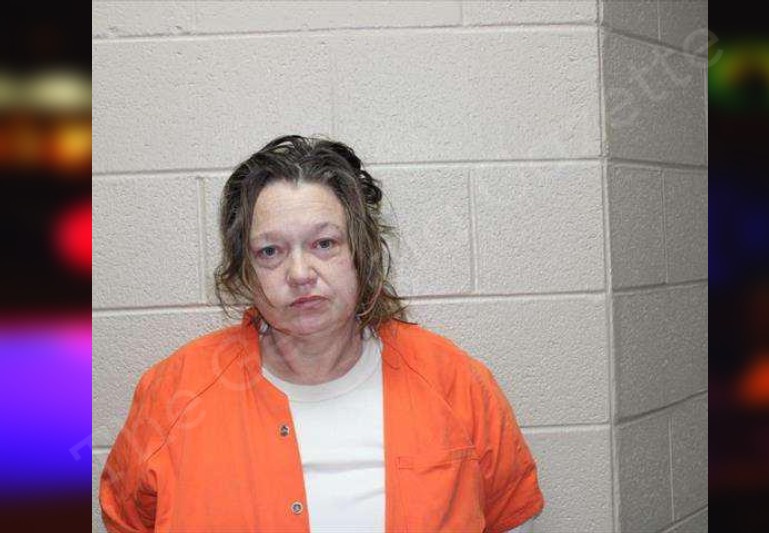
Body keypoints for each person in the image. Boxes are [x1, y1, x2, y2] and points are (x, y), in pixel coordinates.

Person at [99, 135, 544, 532]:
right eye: (270, 251)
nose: (300, 273)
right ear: (245, 271)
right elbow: (125, 518)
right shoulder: (174, 392)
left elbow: (508, 515)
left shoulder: (455, 382)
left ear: (362, 253)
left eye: (324, 244)